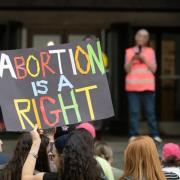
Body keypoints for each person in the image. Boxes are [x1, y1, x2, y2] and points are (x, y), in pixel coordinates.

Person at [21, 125, 104, 180]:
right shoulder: (99, 176)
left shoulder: (54, 178)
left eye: (54, 156)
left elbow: (26, 177)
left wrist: (36, 142)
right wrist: (50, 137)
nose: (52, 159)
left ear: (63, 159)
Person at [124, 29, 162, 142]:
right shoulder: (129, 51)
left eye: (145, 36)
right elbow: (126, 69)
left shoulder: (150, 51)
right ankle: (134, 134)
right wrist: (132, 59)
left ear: (147, 39)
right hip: (132, 87)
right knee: (134, 112)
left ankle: (154, 134)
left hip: (148, 87)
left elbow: (154, 69)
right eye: (141, 36)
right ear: (136, 37)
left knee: (150, 112)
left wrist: (143, 59)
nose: (143, 38)